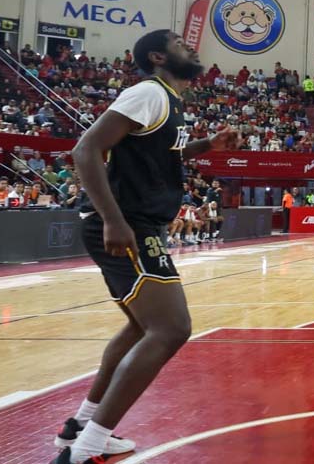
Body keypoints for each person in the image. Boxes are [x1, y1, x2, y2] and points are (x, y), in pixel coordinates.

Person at [53, 30, 239, 464]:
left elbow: (161, 158)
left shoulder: (168, 101)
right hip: (127, 223)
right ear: (157, 57)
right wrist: (115, 221)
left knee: (141, 327)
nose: (192, 46)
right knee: (171, 328)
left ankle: (78, 428)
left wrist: (206, 146)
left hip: (136, 222)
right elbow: (86, 151)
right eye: (179, 43)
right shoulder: (148, 93)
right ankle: (84, 450)